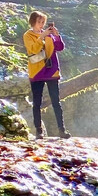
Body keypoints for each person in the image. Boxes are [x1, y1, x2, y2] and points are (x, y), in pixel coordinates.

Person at [23, 10, 70, 139]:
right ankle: (39, 131)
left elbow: (60, 47)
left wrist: (56, 35)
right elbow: (33, 49)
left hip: (51, 70)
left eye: (43, 22)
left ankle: (62, 130)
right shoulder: (28, 35)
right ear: (33, 22)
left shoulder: (49, 34)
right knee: (37, 102)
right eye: (39, 22)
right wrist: (42, 36)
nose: (42, 24)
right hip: (37, 71)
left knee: (56, 101)